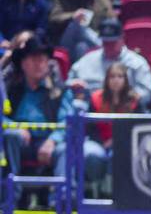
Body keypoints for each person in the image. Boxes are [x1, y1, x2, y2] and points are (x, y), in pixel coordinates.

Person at [2, 37, 105, 203]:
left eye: (43, 60)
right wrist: (14, 127)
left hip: (48, 142)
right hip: (19, 141)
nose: (39, 64)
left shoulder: (60, 91)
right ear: (23, 64)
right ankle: (9, 200)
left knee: (65, 149)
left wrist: (52, 141)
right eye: (34, 59)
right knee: (10, 137)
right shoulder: (11, 89)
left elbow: (66, 121)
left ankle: (62, 203)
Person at [67, 19, 151, 105]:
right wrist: (74, 85)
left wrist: (126, 97)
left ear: (122, 39)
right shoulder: (87, 60)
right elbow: (69, 83)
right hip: (91, 111)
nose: (109, 46)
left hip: (126, 112)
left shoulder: (137, 63)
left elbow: (147, 93)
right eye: (105, 42)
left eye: (112, 42)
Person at [86, 61, 143, 157]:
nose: (116, 80)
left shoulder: (134, 100)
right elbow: (90, 128)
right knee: (93, 155)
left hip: (127, 143)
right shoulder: (95, 98)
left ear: (126, 80)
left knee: (118, 153)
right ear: (107, 79)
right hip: (99, 143)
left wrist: (115, 141)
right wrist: (102, 143)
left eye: (120, 76)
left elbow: (139, 127)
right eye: (112, 77)